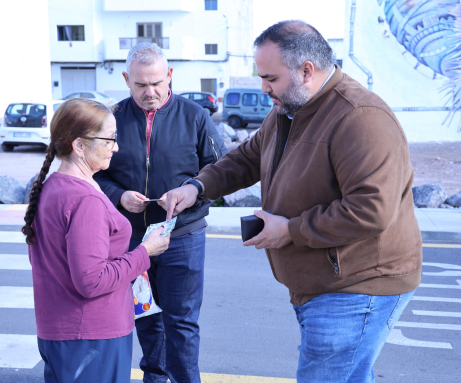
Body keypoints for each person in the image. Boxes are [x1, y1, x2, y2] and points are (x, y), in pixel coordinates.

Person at [163, 21, 423, 383]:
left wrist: (290, 230)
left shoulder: (361, 117)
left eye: (270, 78)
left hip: (356, 285)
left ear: (306, 70)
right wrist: (198, 186)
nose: (264, 87)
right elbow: (246, 158)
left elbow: (371, 209)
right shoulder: (290, 108)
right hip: (324, 283)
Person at [93, 43, 226, 383]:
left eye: (156, 82)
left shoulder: (196, 116)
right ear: (126, 79)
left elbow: (220, 172)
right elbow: (95, 174)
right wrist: (120, 197)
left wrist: (190, 194)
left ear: (169, 75)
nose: (150, 92)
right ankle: (154, 377)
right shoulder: (112, 120)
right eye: (141, 85)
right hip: (132, 240)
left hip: (183, 236)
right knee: (146, 317)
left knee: (180, 321)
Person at [21, 98, 170, 383]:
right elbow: (92, 280)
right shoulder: (85, 199)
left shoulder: (53, 185)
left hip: (61, 329)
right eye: (109, 139)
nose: (115, 147)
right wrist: (145, 251)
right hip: (91, 334)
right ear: (79, 145)